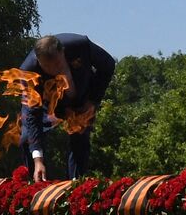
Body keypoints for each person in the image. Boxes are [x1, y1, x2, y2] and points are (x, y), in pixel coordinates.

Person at [18, 33, 115, 182]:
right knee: (27, 138)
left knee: (80, 137)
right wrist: (38, 160)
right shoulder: (28, 72)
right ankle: (35, 184)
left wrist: (93, 100)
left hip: (82, 99)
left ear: (62, 51)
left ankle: (75, 185)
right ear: (38, 61)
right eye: (47, 66)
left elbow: (108, 65)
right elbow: (32, 115)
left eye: (57, 64)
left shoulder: (81, 45)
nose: (53, 70)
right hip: (47, 105)